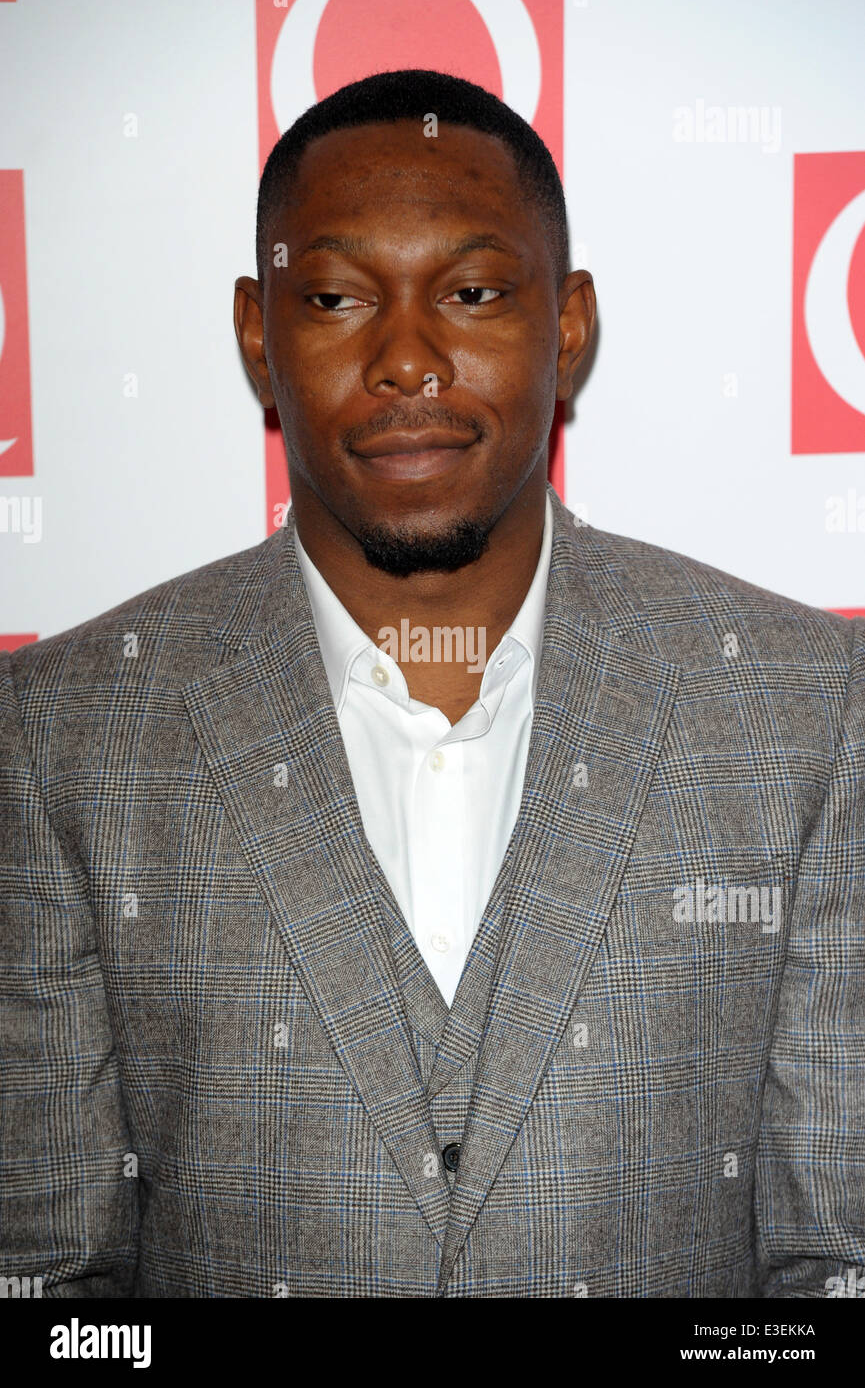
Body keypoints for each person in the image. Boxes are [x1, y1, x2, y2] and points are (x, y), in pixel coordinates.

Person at [1, 69, 862, 1299]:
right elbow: (49, 1287)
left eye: (470, 292)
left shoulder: (803, 707)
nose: (408, 360)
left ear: (565, 326)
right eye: (340, 297)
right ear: (258, 332)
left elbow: (835, 1267)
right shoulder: (65, 732)